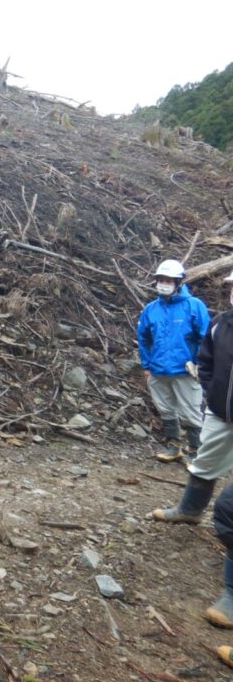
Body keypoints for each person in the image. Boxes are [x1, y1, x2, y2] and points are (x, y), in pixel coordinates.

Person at [152, 270, 233, 666]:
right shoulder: (221, 324)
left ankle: (231, 593)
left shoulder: (198, 311)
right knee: (204, 463)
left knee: (232, 509)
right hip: (221, 413)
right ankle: (189, 510)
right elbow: (207, 360)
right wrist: (212, 394)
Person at [137, 258, 210, 462]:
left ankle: (196, 453)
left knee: (191, 412)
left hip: (185, 371)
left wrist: (199, 363)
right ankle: (173, 447)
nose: (164, 284)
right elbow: (143, 338)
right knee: (166, 409)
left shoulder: (194, 306)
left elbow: (205, 337)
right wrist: (146, 365)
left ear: (179, 282)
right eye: (161, 279)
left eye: (169, 280)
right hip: (158, 370)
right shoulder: (151, 309)